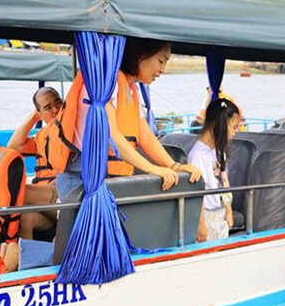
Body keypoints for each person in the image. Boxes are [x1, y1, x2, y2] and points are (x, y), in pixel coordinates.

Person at [48, 37, 202, 204]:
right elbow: (111, 134)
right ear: (141, 54)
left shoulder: (129, 87)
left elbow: (146, 136)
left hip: (107, 177)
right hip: (82, 178)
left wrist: (174, 166)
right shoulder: (106, 84)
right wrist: (153, 169)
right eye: (160, 61)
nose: (162, 69)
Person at [7, 86, 63, 240]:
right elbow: (13, 146)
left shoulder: (73, 131)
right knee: (26, 217)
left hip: (61, 194)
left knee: (17, 191)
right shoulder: (41, 136)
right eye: (48, 108)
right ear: (40, 114)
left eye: (58, 103)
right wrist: (34, 117)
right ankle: (27, 262)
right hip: (44, 200)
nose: (56, 110)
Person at [189, 98, 240, 241]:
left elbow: (224, 181)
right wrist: (200, 226)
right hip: (206, 215)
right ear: (220, 125)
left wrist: (229, 211)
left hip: (220, 212)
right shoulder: (197, 155)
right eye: (233, 127)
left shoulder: (218, 151)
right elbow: (196, 194)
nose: (234, 133)